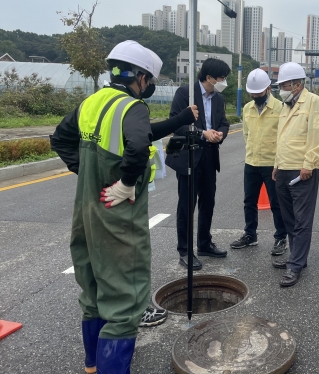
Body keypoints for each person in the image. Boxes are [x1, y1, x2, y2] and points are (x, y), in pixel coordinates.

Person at [51, 40, 198, 373]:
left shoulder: (93, 102)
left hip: (86, 213)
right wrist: (125, 184)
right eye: (149, 80)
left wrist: (87, 171)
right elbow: (136, 145)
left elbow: (60, 138)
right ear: (142, 78)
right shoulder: (133, 107)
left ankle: (92, 366)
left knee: (93, 295)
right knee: (125, 302)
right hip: (117, 220)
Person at [165, 58, 230, 271]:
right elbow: (176, 123)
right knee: (187, 205)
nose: (224, 82)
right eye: (221, 78)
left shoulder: (218, 98)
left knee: (208, 202)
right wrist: (203, 133)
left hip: (210, 156)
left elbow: (224, 122)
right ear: (209, 78)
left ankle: (204, 243)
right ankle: (185, 250)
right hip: (189, 156)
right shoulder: (186, 94)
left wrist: (220, 134)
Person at [271, 62, 319, 287]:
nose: (281, 88)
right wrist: (276, 164)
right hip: (283, 168)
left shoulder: (313, 102)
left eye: (284, 84)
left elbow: (316, 135)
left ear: (297, 84)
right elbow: (281, 138)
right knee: (289, 218)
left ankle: (296, 266)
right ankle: (297, 258)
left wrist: (309, 164)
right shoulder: (286, 105)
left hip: (301, 169)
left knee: (302, 220)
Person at [230, 69, 287, 255]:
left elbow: (284, 137)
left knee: (276, 202)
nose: (255, 96)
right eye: (252, 93)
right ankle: (250, 235)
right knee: (249, 201)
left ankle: (280, 238)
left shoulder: (281, 108)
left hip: (272, 163)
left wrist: (279, 162)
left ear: (269, 89)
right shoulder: (248, 109)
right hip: (252, 161)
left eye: (259, 93)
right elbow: (246, 134)